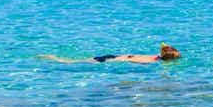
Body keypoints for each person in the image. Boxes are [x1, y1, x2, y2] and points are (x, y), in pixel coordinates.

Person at [42, 44, 182, 64]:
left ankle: (51, 57)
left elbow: (165, 49)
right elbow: (132, 61)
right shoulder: (151, 61)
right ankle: (51, 57)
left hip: (113, 56)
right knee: (70, 62)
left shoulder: (154, 56)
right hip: (108, 60)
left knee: (74, 61)